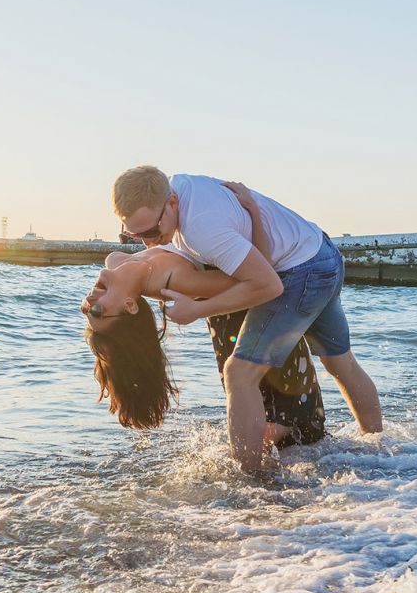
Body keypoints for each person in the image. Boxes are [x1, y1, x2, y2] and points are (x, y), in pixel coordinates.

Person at [113, 165, 382, 474]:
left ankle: (248, 484)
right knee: (340, 363)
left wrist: (197, 310)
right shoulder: (177, 190)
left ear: (172, 202)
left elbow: (268, 285)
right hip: (321, 251)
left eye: (150, 231)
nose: (147, 241)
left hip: (301, 273)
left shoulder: (201, 228)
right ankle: (378, 451)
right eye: (132, 235)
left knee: (239, 374)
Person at [83, 184, 325, 453]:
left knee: (267, 413)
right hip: (253, 332)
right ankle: (255, 478)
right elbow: (262, 275)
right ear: (129, 306)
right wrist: (256, 214)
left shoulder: (115, 261)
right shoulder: (178, 281)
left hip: (247, 339)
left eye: (86, 311)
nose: (89, 303)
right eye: (97, 311)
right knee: (282, 424)